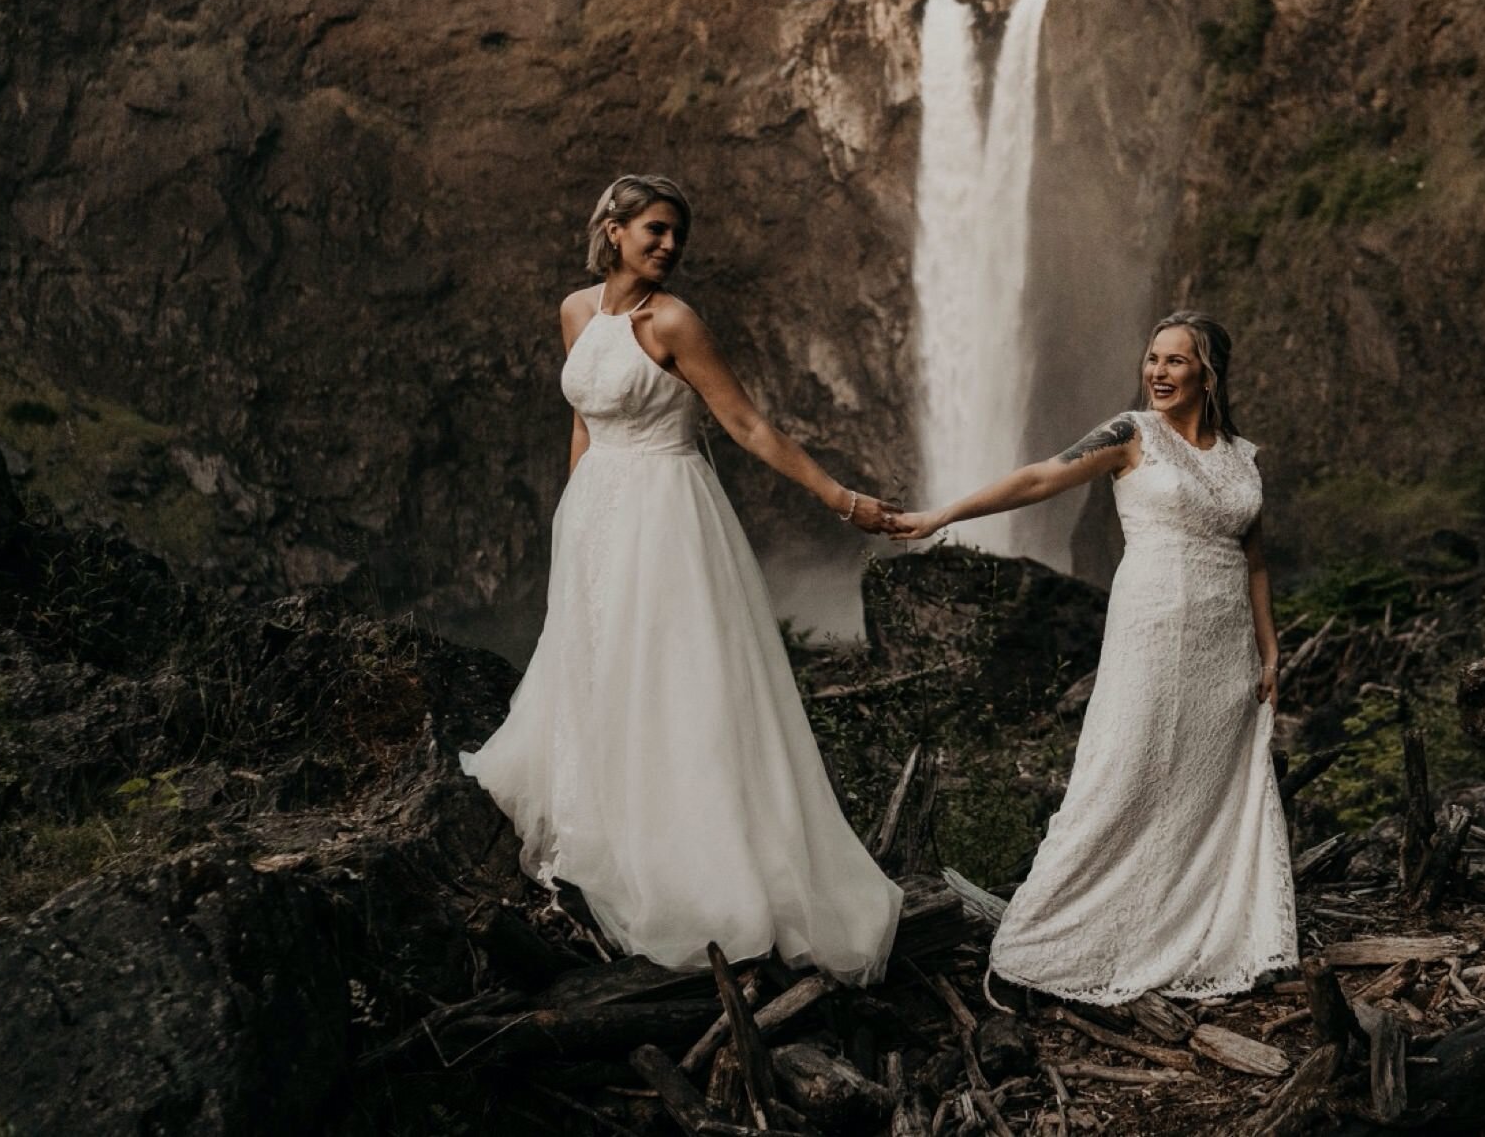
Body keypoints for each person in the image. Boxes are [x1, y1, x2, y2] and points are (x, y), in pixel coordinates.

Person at [461, 175, 903, 984]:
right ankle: (599, 825)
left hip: (667, 512)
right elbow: (584, 419)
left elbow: (744, 423)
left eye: (677, 237)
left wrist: (842, 501)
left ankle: (686, 855)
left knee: (670, 679)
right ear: (614, 229)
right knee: (596, 666)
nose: (669, 247)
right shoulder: (575, 312)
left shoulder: (674, 320)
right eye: (656, 230)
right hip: (597, 512)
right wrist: (573, 516)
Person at [891, 310, 1297, 1003]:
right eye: (1152, 359)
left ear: (1209, 372)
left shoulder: (1239, 456)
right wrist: (941, 517)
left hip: (1223, 645)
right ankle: (1048, 939)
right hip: (1153, 628)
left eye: (1175, 361)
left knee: (1207, 789)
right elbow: (1038, 479)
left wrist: (1269, 649)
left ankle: (1190, 931)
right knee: (1122, 772)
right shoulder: (1131, 434)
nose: (1157, 372)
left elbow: (1254, 561)